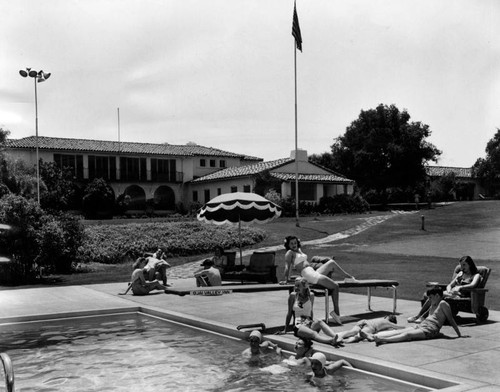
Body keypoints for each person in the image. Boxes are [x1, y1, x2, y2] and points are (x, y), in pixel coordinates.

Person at [280, 236, 354, 324]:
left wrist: (298, 244)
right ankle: (336, 313)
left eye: (295, 243)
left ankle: (350, 277)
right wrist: (286, 279)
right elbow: (287, 266)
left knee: (331, 263)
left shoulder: (298, 250)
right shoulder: (290, 253)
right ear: (288, 245)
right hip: (309, 274)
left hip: (312, 271)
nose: (294, 245)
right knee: (335, 286)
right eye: (291, 243)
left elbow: (300, 252)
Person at [370, 287, 467, 346]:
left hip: (431, 329)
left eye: (431, 297)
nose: (429, 299)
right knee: (403, 330)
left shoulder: (443, 304)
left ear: (437, 295)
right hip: (423, 325)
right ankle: (373, 337)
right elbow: (429, 306)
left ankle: (382, 340)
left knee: (408, 335)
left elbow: (451, 319)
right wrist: (418, 317)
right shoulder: (434, 303)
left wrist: (459, 334)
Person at [408, 255, 481, 323]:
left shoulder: (476, 275)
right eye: (461, 265)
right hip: (451, 294)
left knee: (436, 295)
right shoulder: (460, 274)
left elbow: (472, 284)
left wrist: (460, 287)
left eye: (464, 265)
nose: (462, 267)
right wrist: (449, 290)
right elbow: (450, 285)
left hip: (461, 297)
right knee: (434, 295)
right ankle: (419, 316)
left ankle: (423, 316)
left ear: (470, 264)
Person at [279, 277, 340, 345]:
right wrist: (285, 329)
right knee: (313, 334)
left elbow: (311, 311)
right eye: (295, 285)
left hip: (308, 322)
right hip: (299, 325)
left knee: (320, 322)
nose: (296, 287)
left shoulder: (311, 295)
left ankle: (335, 336)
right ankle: (330, 341)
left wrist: (312, 322)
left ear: (304, 287)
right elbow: (289, 313)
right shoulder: (293, 296)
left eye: (298, 286)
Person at [337, 315, 405, 343]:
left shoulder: (382, 319)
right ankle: (347, 341)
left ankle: (340, 337)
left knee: (352, 331)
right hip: (371, 326)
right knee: (358, 336)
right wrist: (406, 327)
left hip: (364, 321)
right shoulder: (387, 322)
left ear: (386, 317)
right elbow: (397, 327)